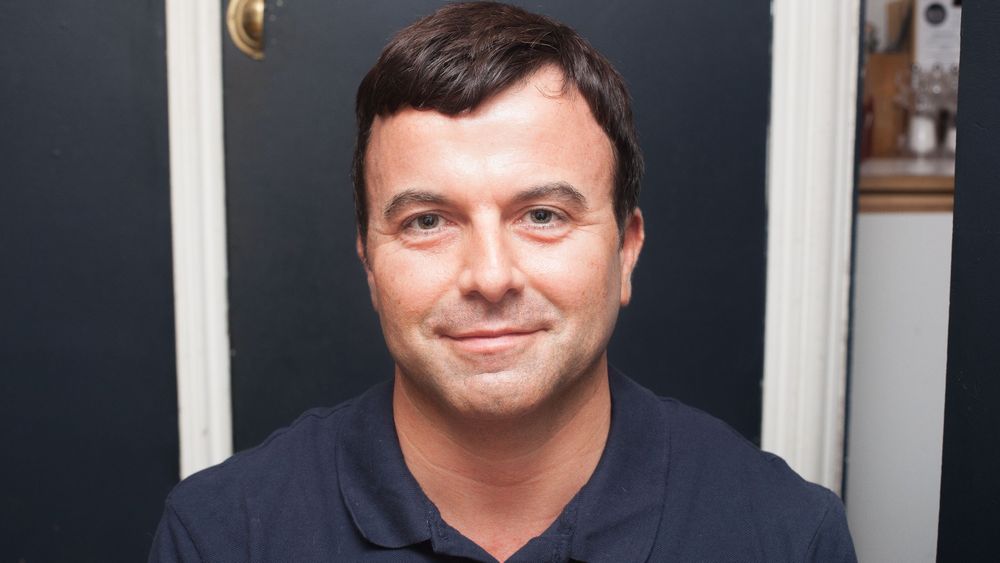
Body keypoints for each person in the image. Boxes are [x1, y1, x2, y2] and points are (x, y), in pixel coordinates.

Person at [150, 2, 856, 561]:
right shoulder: (222, 536)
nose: (489, 276)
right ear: (370, 261)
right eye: (428, 221)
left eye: (542, 214)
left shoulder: (786, 535)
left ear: (627, 250)